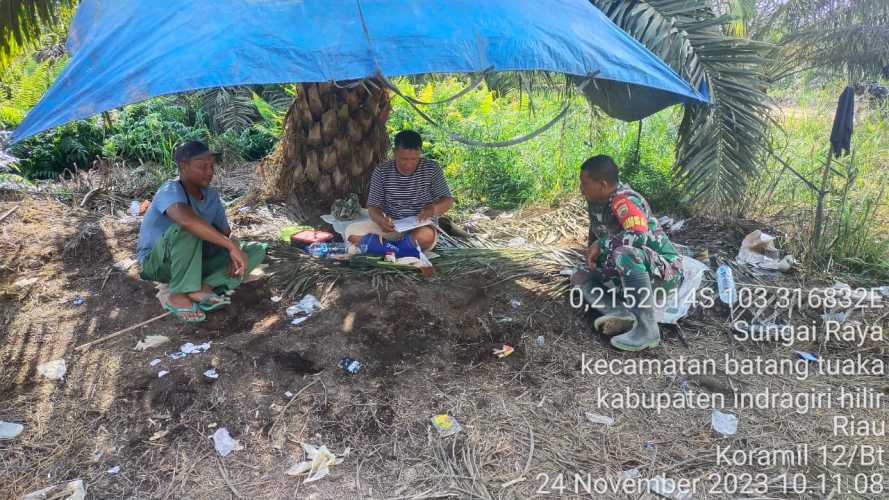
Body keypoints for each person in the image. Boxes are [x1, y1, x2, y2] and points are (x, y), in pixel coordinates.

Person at [136, 141, 267, 323]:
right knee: (189, 229)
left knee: (255, 250)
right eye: (202, 167)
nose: (210, 171)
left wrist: (232, 250)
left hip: (196, 260)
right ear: (183, 166)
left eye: (212, 166)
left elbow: (224, 233)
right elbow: (186, 220)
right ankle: (180, 293)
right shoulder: (169, 190)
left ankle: (203, 285)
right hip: (160, 264)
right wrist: (230, 246)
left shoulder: (211, 196)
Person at [572, 155, 682, 351]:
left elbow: (639, 235)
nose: (581, 188)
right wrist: (592, 253)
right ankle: (620, 314)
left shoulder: (625, 200)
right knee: (579, 274)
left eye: (584, 183)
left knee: (625, 253)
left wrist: (602, 245)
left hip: (663, 273)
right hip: (628, 275)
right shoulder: (597, 201)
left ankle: (647, 329)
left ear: (603, 184)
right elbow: (596, 232)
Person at [346, 130, 454, 257]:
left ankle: (385, 248)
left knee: (426, 236)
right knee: (351, 232)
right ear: (394, 152)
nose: (409, 164)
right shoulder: (382, 171)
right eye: (403, 159)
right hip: (392, 227)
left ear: (420, 153)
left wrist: (432, 209)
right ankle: (401, 250)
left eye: (414, 159)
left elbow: (447, 200)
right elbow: (373, 207)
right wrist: (381, 221)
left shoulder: (432, 169)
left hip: (419, 228)